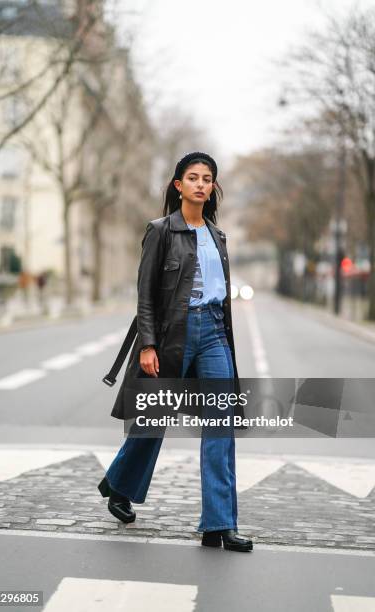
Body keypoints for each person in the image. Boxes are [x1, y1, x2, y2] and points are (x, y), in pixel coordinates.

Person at [98, 152, 253, 552]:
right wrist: (148, 344)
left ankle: (219, 524)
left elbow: (223, 299)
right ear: (177, 185)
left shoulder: (218, 237)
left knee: (220, 425)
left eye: (207, 179)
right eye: (192, 177)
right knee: (154, 419)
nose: (200, 184)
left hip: (215, 333)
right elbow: (146, 295)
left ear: (213, 188)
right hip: (172, 336)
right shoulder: (161, 231)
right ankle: (119, 483)